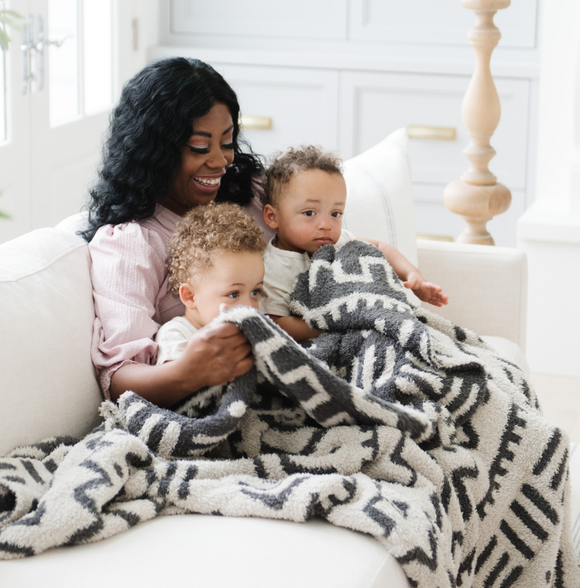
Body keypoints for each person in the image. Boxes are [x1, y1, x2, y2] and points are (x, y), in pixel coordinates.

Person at [80, 56, 273, 408]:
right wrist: (189, 372)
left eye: (227, 142)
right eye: (200, 147)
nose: (220, 162)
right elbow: (120, 377)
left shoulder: (254, 194)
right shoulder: (131, 243)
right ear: (154, 151)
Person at [259, 145, 448, 342]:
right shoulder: (271, 268)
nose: (326, 225)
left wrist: (413, 276)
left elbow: (381, 248)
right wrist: (340, 324)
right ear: (273, 217)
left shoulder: (339, 244)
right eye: (309, 213)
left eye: (335, 214)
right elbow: (276, 322)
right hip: (328, 340)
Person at [155, 202, 266, 365]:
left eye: (255, 292)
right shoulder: (176, 334)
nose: (249, 307)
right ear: (190, 296)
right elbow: (176, 383)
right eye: (234, 294)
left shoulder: (251, 329)